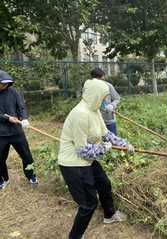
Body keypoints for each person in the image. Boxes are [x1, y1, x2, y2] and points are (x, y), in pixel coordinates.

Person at [58, 78, 134, 239]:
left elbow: (106, 134)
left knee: (104, 184)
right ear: (94, 95)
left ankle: (109, 215)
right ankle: (75, 236)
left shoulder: (94, 111)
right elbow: (82, 151)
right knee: (88, 204)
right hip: (74, 164)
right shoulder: (80, 114)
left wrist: (125, 144)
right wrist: (103, 148)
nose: (104, 100)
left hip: (87, 161)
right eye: (103, 97)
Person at [0, 70, 38, 190]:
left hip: (17, 132)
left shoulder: (14, 92)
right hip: (1, 134)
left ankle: (31, 176)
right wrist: (7, 118)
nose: (5, 85)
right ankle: (3, 179)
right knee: (0, 159)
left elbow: (21, 106)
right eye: (2, 83)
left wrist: (24, 118)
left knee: (27, 156)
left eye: (7, 83)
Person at [90, 68, 120, 135]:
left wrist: (112, 105)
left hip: (108, 119)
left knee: (113, 140)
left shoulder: (108, 86)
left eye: (101, 78)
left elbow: (117, 98)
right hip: (95, 120)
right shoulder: (89, 87)